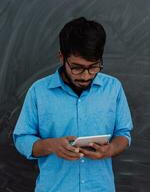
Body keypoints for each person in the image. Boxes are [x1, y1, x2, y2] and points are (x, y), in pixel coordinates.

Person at [13, 17, 133, 192]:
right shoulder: (38, 91)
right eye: (76, 67)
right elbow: (22, 138)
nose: (85, 76)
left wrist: (110, 149)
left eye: (93, 67)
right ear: (62, 58)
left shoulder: (113, 88)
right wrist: (51, 145)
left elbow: (123, 133)